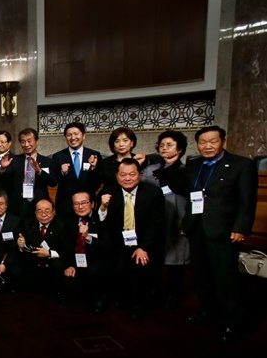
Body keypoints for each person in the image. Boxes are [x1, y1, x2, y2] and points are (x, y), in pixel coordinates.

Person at [181, 126, 257, 342]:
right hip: (196, 228)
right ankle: (207, 310)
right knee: (201, 275)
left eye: (212, 141)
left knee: (225, 278)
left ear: (223, 141)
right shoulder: (193, 164)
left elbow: (246, 201)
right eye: (203, 142)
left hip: (224, 230)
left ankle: (234, 321)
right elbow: (187, 192)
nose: (207, 146)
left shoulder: (241, 164)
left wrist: (241, 228)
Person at [98, 158, 165, 319]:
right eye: (123, 175)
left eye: (132, 174)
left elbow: (157, 224)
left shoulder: (153, 193)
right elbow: (101, 221)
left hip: (143, 242)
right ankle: (122, 298)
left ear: (139, 175)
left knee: (138, 269)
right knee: (117, 269)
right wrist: (103, 207)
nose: (127, 178)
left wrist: (144, 247)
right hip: (118, 242)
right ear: (117, 176)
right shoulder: (109, 192)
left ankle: (137, 305)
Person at [140, 130, 190, 308]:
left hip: (177, 219)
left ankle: (173, 295)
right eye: (161, 145)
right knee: (154, 258)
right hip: (155, 220)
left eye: (169, 145)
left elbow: (185, 190)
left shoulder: (187, 170)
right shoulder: (151, 169)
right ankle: (154, 292)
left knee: (175, 259)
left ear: (180, 149)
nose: (164, 148)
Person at [62, 191, 112, 312]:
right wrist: (69, 265)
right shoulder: (69, 221)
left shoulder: (101, 220)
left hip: (97, 261)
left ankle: (99, 298)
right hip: (77, 261)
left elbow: (107, 247)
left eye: (84, 203)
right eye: (76, 204)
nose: (80, 207)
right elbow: (66, 246)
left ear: (93, 204)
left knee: (94, 271)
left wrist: (88, 237)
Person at [0, 128, 57, 218]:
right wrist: (3, 169)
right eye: (23, 142)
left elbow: (53, 182)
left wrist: (39, 171)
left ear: (36, 141)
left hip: (40, 204)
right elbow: (4, 183)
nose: (26, 145)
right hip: (18, 205)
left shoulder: (47, 161)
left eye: (29, 141)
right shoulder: (14, 160)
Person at [16, 199, 66, 300]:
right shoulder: (27, 224)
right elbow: (23, 247)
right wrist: (21, 245)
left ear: (54, 212)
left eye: (47, 211)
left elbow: (67, 250)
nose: (43, 214)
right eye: (40, 211)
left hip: (52, 264)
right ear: (35, 213)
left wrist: (49, 253)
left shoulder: (61, 226)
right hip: (33, 262)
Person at [51, 122, 102, 218]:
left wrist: (93, 168)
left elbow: (98, 182)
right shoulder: (58, 156)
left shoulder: (94, 155)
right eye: (69, 135)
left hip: (87, 204)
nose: (73, 137)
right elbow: (53, 181)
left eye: (76, 134)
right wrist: (62, 173)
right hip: (66, 205)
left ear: (83, 136)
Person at [99, 127, 147, 192]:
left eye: (125, 140)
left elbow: (145, 183)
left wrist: (138, 165)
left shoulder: (141, 160)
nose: (121, 144)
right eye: (117, 141)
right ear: (113, 145)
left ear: (132, 143)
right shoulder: (105, 163)